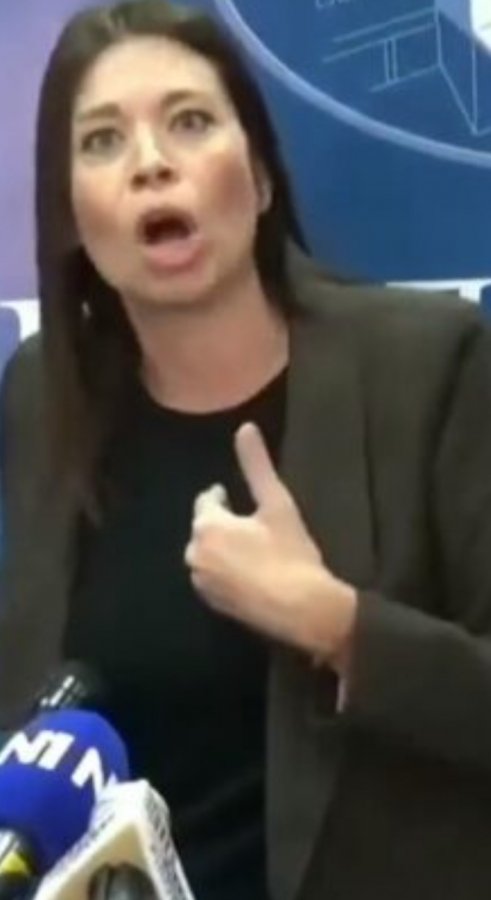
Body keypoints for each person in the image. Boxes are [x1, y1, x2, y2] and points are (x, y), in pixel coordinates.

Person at [1, 2, 491, 899]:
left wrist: (337, 624)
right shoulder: (44, 397)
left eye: (189, 122)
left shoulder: (428, 368)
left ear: (260, 178)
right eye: (103, 141)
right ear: (70, 214)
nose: (151, 163)